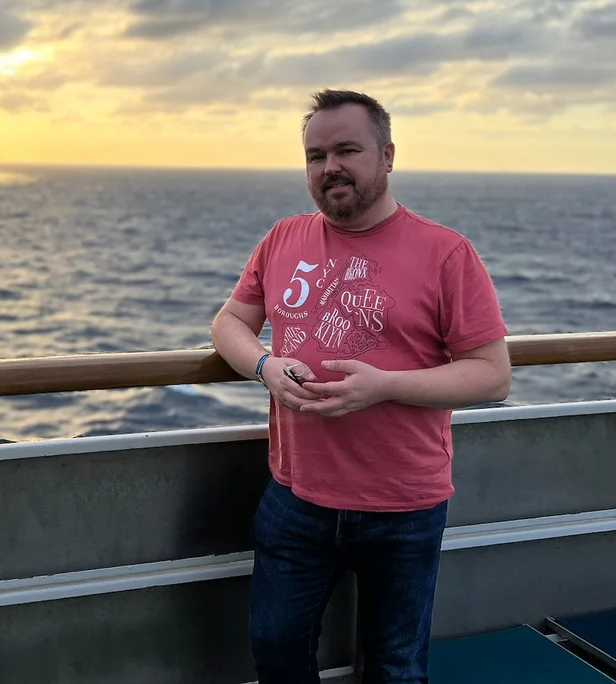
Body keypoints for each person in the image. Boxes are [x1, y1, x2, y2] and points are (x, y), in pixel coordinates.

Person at [210, 89, 510, 684]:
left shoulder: (446, 252)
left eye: (348, 150)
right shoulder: (283, 239)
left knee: (396, 668)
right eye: (316, 156)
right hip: (295, 497)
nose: (330, 168)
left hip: (403, 504)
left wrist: (386, 385)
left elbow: (492, 374)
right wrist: (265, 366)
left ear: (388, 155)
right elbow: (229, 323)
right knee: (275, 653)